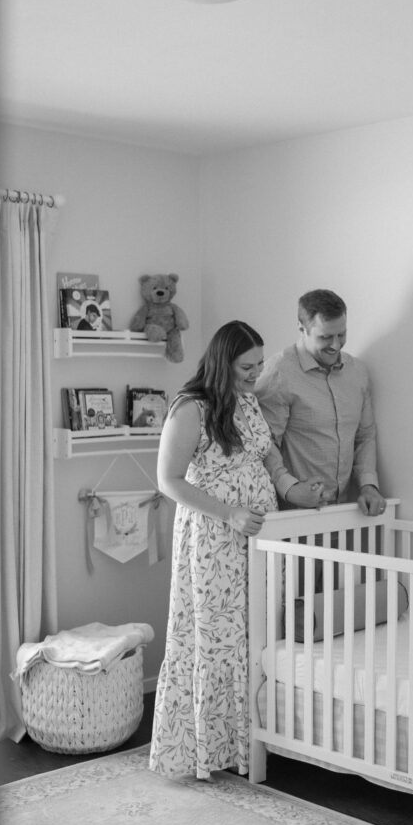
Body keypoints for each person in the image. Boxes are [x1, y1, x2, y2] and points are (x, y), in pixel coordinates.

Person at [148, 320, 319, 781]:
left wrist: (292, 489)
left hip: (254, 537)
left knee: (251, 634)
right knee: (216, 638)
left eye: (260, 364)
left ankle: (247, 744)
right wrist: (229, 514)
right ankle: (205, 748)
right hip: (214, 540)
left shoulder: (246, 401)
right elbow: (169, 480)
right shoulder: (190, 408)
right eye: (247, 365)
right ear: (223, 361)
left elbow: (266, 453)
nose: (256, 373)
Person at [255, 289, 386, 516]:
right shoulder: (279, 373)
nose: (335, 345)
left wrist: (368, 485)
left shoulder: (358, 373)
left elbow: (365, 436)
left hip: (343, 514)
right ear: (301, 329)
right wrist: (291, 488)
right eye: (325, 337)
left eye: (341, 335)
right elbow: (263, 444)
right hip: (291, 516)